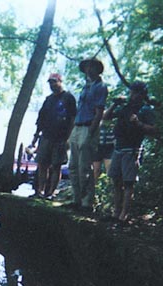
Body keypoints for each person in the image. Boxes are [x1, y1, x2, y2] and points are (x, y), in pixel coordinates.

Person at [103, 81, 156, 224]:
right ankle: (116, 213)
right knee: (116, 181)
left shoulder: (146, 109)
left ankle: (123, 216)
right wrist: (115, 104)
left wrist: (138, 123)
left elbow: (153, 130)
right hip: (119, 148)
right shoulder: (126, 108)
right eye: (131, 92)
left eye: (135, 92)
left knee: (128, 183)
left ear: (142, 94)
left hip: (132, 150)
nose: (132, 95)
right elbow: (106, 117)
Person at [67, 58, 108, 212]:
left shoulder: (100, 87)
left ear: (97, 69)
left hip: (88, 127)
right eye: (86, 67)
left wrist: (91, 132)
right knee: (73, 166)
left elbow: (99, 112)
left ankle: (86, 203)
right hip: (77, 127)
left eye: (91, 67)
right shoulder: (86, 86)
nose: (88, 70)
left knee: (84, 166)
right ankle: (76, 199)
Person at [31, 73, 77, 199]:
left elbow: (73, 118)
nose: (52, 85)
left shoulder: (68, 98)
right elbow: (41, 118)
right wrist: (35, 136)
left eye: (54, 82)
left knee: (56, 165)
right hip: (46, 136)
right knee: (42, 164)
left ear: (60, 82)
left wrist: (69, 137)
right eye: (50, 83)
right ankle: (40, 191)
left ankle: (51, 192)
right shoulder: (48, 99)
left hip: (61, 137)